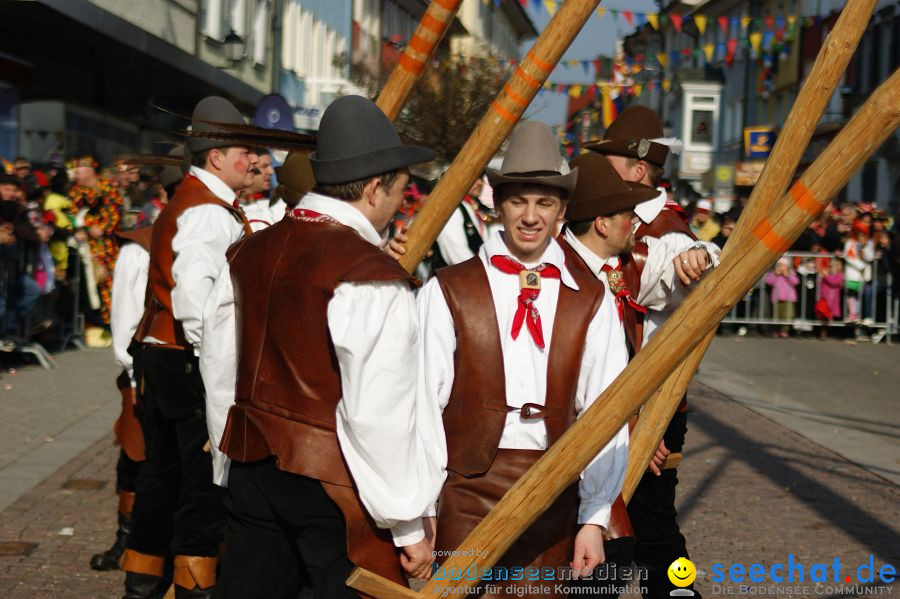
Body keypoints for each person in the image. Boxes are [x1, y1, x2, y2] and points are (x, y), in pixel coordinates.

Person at [202, 95, 444, 598]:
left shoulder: (248, 250)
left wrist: (228, 465)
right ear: (376, 187)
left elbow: (218, 367)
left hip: (251, 468)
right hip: (333, 490)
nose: (403, 201)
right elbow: (378, 414)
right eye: (402, 189)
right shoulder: (369, 276)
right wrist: (408, 524)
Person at [417, 121, 629, 599]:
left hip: (554, 488)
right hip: (465, 489)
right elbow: (422, 405)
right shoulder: (449, 289)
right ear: (498, 202)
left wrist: (593, 517)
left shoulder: (591, 299)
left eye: (545, 203)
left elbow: (605, 413)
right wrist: (422, 509)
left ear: (562, 210)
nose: (531, 217)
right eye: (519, 201)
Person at [584, 104, 718, 599]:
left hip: (652, 404)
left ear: (639, 170)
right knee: (626, 523)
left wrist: (701, 256)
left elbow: (708, 265)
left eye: (611, 160)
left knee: (651, 526)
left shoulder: (665, 230)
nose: (600, 168)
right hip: (609, 398)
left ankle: (679, 590)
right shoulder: (609, 213)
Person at [122, 96, 253, 599]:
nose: (253, 160)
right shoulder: (207, 211)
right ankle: (193, 589)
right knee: (200, 485)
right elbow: (196, 302)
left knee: (162, 477)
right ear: (215, 156)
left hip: (163, 356)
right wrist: (215, 362)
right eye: (244, 151)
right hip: (186, 361)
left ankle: (142, 583)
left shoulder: (201, 200)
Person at [66, 156, 123, 326]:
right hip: (85, 248)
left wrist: (102, 229)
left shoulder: (107, 187)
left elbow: (116, 213)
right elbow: (70, 216)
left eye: (79, 169)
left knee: (110, 285)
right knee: (89, 287)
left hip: (108, 248)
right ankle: (95, 323)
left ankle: (113, 323)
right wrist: (83, 229)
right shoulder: (74, 192)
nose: (76, 173)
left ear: (90, 169)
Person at [765, 257, 800, 338]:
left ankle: (784, 330)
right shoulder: (774, 273)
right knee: (776, 315)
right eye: (780, 265)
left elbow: (796, 282)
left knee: (787, 315)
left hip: (789, 299)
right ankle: (775, 329)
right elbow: (769, 281)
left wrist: (787, 275)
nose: (782, 267)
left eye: (784, 265)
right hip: (777, 298)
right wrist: (775, 274)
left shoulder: (791, 273)